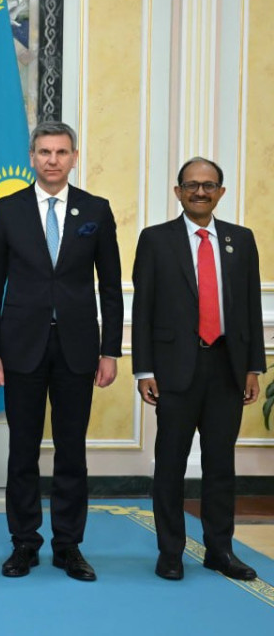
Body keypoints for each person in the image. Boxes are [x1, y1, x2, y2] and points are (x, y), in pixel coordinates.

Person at [0, 121, 123, 582]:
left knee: (71, 451)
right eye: (45, 152)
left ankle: (68, 546)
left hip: (78, 349)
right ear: (32, 157)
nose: (53, 160)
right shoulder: (7, 210)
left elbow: (111, 288)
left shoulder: (96, 210)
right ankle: (24, 542)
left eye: (62, 152)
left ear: (74, 158)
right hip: (20, 348)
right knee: (22, 451)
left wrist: (110, 351)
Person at [133, 157, 264, 582]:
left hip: (227, 367)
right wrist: (144, 370)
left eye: (209, 185)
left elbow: (250, 306)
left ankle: (220, 550)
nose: (200, 192)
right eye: (192, 185)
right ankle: (170, 552)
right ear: (178, 192)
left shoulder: (241, 240)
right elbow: (144, 308)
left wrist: (253, 367)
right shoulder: (156, 239)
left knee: (220, 464)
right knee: (170, 464)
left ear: (221, 192)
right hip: (174, 370)